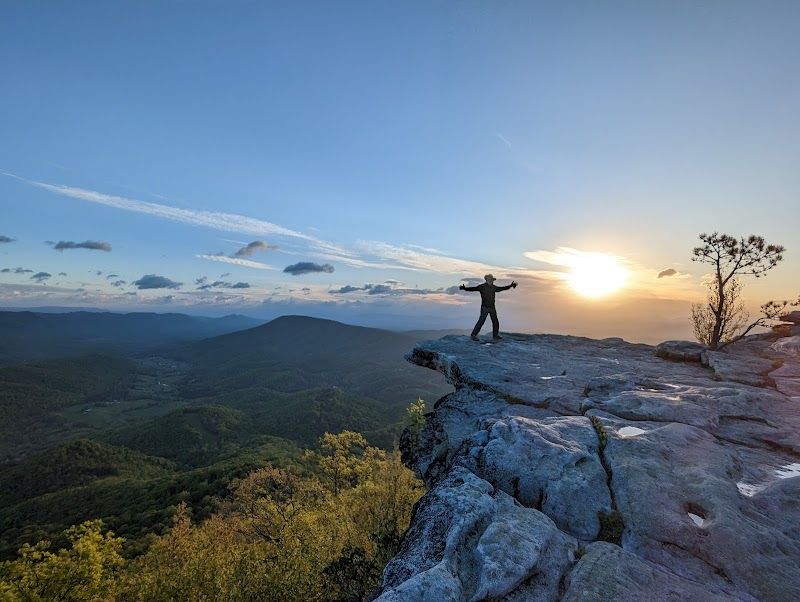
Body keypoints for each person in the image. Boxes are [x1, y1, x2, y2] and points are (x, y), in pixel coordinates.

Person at [459, 274, 517, 341]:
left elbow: (502, 288)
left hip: (492, 307)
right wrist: (465, 288)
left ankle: (495, 336)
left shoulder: (493, 287)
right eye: (489, 279)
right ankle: (473, 335)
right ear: (486, 280)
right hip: (485, 307)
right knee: (481, 321)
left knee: (495, 321)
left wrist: (510, 286)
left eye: (491, 280)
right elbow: (474, 288)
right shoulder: (482, 287)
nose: (491, 281)